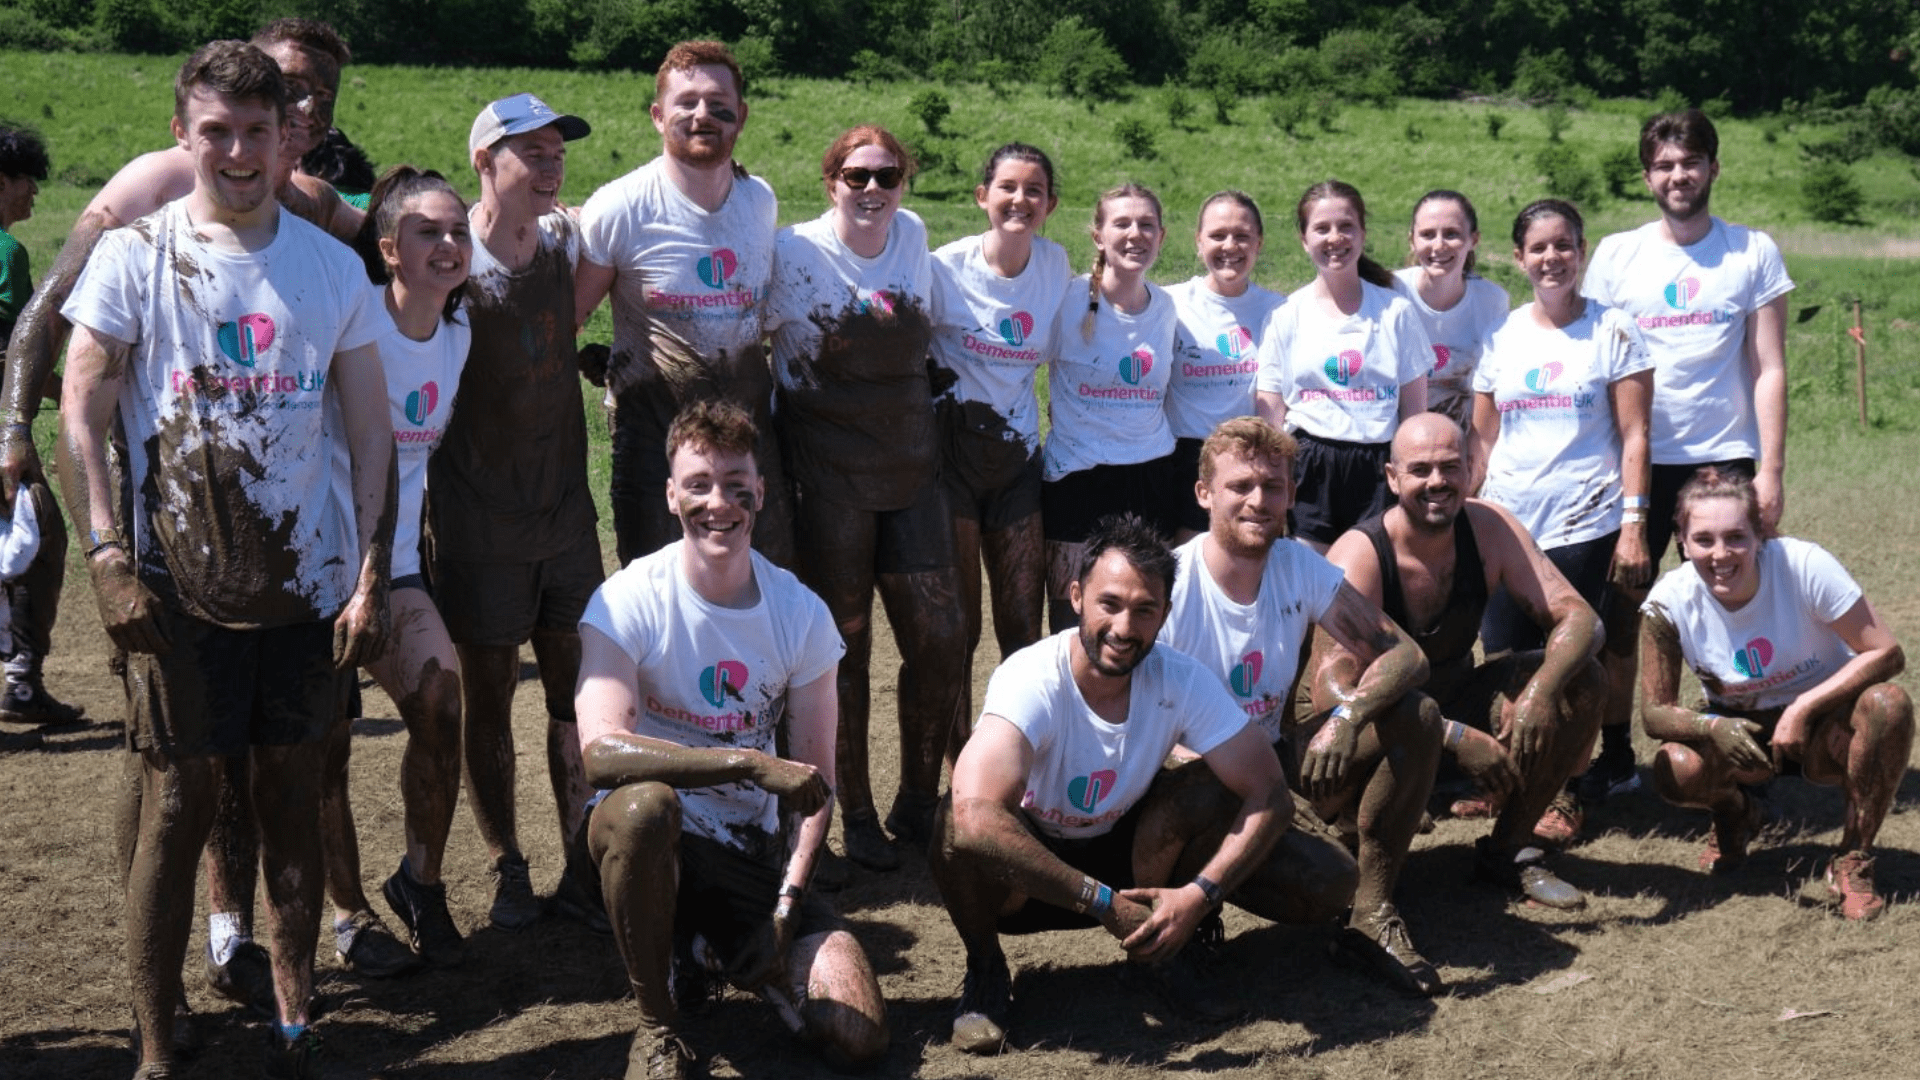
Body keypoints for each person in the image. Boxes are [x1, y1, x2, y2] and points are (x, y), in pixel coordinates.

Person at [0, 24, 366, 1009]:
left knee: (281, 764)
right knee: (173, 776)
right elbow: (50, 310)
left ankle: (287, 936)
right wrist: (12, 434)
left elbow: (392, 314)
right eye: (288, 87)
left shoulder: (323, 214)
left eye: (312, 99)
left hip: (289, 548)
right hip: (168, 533)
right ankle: (179, 964)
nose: (300, 112)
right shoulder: (147, 193)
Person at [930, 514, 1357, 1053]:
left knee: (1221, 792)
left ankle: (1163, 952)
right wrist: (1101, 903)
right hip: (1028, 876)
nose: (1125, 628)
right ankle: (987, 970)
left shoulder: (1180, 678)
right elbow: (973, 816)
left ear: (1164, 615)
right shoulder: (1030, 677)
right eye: (1110, 604)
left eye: (1144, 610)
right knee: (951, 825)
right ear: (1077, 596)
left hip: (1134, 862)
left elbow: (1268, 792)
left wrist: (1199, 896)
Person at [574, 400, 888, 1080]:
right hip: (655, 838)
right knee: (642, 809)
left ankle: (702, 951)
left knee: (856, 1030)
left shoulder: (800, 613)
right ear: (670, 494)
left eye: (735, 484)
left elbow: (816, 784)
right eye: (698, 484)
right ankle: (657, 1025)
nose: (718, 503)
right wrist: (746, 761)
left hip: (750, 855)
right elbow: (600, 754)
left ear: (761, 493)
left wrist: (786, 907)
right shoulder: (627, 600)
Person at [1159, 417, 1451, 996]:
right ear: (1204, 493)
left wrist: (1348, 716)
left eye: (1273, 486)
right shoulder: (1171, 583)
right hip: (1191, 779)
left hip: (1270, 758)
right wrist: (1261, 792)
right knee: (1299, 865)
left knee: (1416, 716)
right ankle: (1189, 924)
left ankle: (1372, 913)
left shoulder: (1296, 564)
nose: (1258, 500)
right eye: (1240, 485)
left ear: (1293, 494)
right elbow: (1142, 730)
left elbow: (1405, 655)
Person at [763, 125, 966, 869]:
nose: (872, 189)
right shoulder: (794, 253)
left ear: (904, 184)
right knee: (842, 650)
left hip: (913, 474)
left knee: (943, 643)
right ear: (831, 182)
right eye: (857, 176)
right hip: (828, 478)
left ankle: (917, 802)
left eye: (886, 175)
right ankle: (851, 813)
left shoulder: (912, 236)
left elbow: (946, 328)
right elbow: (745, 341)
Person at [1580, 108, 1794, 799]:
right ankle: (1615, 753)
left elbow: (1769, 368)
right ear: (1648, 176)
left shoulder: (1751, 251)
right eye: (1665, 165)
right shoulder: (1616, 255)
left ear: (1714, 168)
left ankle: (1745, 744)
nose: (1679, 175)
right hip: (1635, 461)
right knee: (1622, 611)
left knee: (1734, 605)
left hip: (1725, 458)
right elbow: (1595, 363)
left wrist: (1770, 472)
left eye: (1691, 161)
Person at [429, 92, 603, 932]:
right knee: (490, 696)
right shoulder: (450, 264)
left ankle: (583, 857)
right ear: (483, 163)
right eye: (527, 152)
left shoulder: (564, 240)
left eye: (554, 152)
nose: (549, 165)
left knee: (579, 693)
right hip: (479, 527)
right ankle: (506, 865)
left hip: (567, 519)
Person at [1324, 415, 1603, 909]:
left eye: (1451, 466)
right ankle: (1359, 853)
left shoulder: (1490, 528)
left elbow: (1581, 618)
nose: (1438, 481)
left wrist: (1540, 691)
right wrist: (1448, 733)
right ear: (1392, 478)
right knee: (1381, 731)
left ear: (1472, 467)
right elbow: (1332, 699)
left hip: (1454, 693)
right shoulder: (1360, 556)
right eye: (1421, 469)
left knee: (1581, 680)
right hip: (1383, 724)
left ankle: (1508, 850)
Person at [1640, 469, 1913, 920]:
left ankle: (1853, 857)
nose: (1721, 554)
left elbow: (1888, 653)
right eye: (1704, 539)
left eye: (1736, 537)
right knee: (1676, 768)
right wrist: (1714, 726)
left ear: (1760, 537)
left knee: (1888, 705)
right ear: (1682, 543)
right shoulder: (1668, 602)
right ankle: (1736, 814)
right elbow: (1654, 712)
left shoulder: (1804, 565)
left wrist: (1806, 707)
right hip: (1741, 733)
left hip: (1827, 725)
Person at [1470, 199, 1653, 839]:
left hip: (1587, 523)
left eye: (1564, 245)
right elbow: (1483, 444)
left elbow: (1635, 436)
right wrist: (1467, 517)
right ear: (1519, 258)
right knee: (1506, 660)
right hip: (1507, 527)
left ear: (1581, 250)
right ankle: (1511, 778)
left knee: (1572, 665)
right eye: (1538, 248)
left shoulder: (1615, 331)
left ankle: (1567, 793)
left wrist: (1633, 526)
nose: (1552, 258)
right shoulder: (1503, 335)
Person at [575, 39, 793, 567]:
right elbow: (569, 318)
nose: (704, 115)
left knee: (762, 580)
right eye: (687, 102)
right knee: (658, 592)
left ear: (740, 116)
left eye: (719, 105)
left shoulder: (758, 200)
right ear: (657, 115)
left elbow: (757, 316)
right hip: (654, 437)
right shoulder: (620, 208)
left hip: (747, 435)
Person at [331, 166, 472, 969]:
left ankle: (419, 879)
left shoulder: (458, 335)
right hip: (314, 567)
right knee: (324, 748)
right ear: (388, 250)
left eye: (459, 231)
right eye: (429, 232)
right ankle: (349, 917)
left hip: (397, 568)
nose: (450, 244)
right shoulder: (351, 325)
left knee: (440, 701)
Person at [927, 142, 1071, 751]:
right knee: (960, 627)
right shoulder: (945, 268)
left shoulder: (1056, 266)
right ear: (982, 196)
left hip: (1016, 465)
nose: (1020, 199)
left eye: (1033, 190)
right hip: (950, 465)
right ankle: (963, 762)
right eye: (1007, 187)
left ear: (1050, 205)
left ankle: (1023, 751)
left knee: (1022, 626)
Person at [1255, 180, 1431, 553]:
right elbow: (1270, 410)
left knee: (1371, 582)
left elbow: (1415, 411)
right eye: (1322, 228)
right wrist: (1279, 478)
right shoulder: (1286, 315)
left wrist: (1409, 473)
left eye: (1346, 226)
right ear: (1304, 239)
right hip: (1311, 466)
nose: (1335, 237)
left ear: (1363, 233)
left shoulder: (1396, 311)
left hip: (1379, 466)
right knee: (1312, 586)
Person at [1041, 183, 1188, 628]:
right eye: (1121, 223)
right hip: (1076, 480)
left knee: (1143, 616)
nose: (1135, 234)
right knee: (1073, 619)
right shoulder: (1064, 300)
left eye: (1146, 225)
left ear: (1161, 237)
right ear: (1098, 236)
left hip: (1152, 477)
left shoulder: (1168, 308)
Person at [0, 122, 81, 730]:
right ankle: (22, 680)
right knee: (41, 533)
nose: (34, 192)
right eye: (27, 178)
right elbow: (16, 353)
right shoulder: (7, 253)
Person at [1164, 191, 1286, 538]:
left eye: (1242, 236)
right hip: (1185, 457)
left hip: (1252, 458)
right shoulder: (1169, 304)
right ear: (1198, 241)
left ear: (1259, 243)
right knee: (1186, 573)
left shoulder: (1279, 311)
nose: (1230, 245)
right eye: (1218, 235)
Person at [1392, 189, 1509, 431]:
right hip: (1401, 438)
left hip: (1467, 437)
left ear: (1473, 240)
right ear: (1412, 241)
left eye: (1451, 234)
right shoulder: (1390, 293)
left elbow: (1497, 385)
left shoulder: (1493, 301)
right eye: (1427, 235)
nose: (1439, 245)